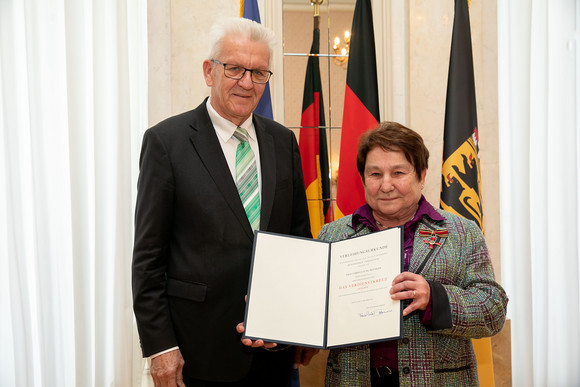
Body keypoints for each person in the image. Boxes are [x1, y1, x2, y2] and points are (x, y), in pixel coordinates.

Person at [132, 17, 316, 387]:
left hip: (274, 350)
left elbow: (298, 239)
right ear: (209, 71)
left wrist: (303, 325)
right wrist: (160, 347)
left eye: (260, 73)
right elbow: (148, 258)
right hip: (197, 350)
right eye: (235, 69)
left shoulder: (283, 142)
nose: (247, 83)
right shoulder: (166, 143)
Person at [319, 121, 508, 386]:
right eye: (375, 174)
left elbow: (493, 310)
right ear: (362, 177)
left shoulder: (462, 232)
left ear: (421, 175)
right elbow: (314, 311)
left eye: (398, 172)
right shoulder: (333, 235)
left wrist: (435, 298)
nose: (386, 185)